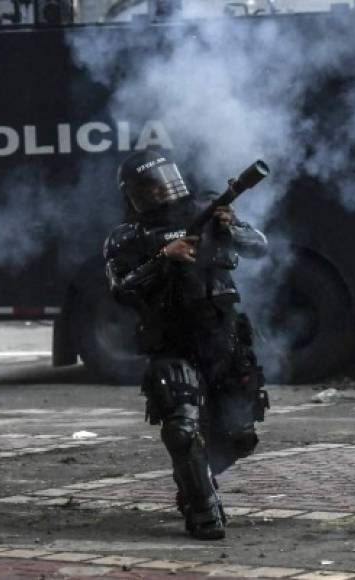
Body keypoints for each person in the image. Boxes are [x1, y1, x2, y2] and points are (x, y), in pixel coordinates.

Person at [103, 150, 270, 540]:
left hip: (225, 341)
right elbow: (121, 289)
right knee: (181, 429)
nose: (161, 191)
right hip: (172, 343)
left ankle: (197, 476)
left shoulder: (210, 212)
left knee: (240, 436)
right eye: (148, 186)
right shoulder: (127, 237)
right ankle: (203, 509)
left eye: (164, 180)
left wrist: (232, 228)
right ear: (133, 194)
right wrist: (165, 257)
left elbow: (260, 246)